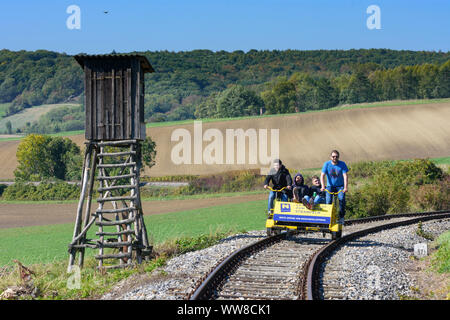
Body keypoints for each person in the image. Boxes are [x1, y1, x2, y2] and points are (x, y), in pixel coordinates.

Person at [320, 150, 348, 224]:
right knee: (328, 201)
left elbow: (345, 176)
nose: (335, 158)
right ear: (330, 157)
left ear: (338, 157)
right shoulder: (327, 164)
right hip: (330, 186)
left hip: (340, 186)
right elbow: (322, 175)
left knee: (341, 199)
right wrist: (323, 186)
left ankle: (341, 217)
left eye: (336, 156)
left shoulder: (342, 164)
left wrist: (345, 187)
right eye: (333, 156)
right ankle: (328, 218)